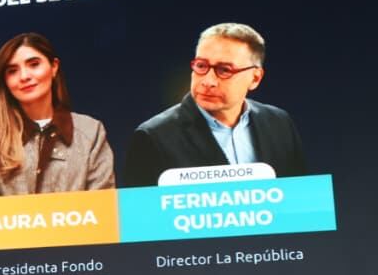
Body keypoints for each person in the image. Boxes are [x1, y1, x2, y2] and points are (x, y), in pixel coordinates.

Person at [124, 23, 306, 187]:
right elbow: (140, 218)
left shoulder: (279, 122)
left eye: (224, 70)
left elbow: (301, 203)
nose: (208, 81)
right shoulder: (153, 136)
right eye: (201, 66)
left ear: (255, 78)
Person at [0, 32, 114, 196]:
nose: (24, 76)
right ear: (5, 81)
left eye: (34, 64)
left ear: (54, 67)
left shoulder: (90, 131)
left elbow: (103, 206)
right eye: (12, 71)